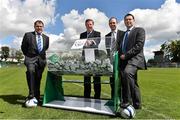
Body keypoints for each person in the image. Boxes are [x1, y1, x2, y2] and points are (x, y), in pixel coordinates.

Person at [119, 13, 146, 109]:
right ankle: (137, 104)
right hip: (124, 61)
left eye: (130, 19)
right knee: (133, 82)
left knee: (127, 73)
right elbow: (120, 48)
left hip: (135, 59)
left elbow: (139, 45)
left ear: (133, 20)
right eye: (126, 20)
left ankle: (127, 101)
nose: (128, 21)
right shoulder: (123, 35)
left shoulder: (140, 30)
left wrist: (126, 55)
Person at [21, 20, 49, 106]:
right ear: (34, 27)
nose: (39, 28)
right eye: (37, 26)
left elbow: (46, 48)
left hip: (41, 60)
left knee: (38, 78)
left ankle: (36, 97)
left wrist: (41, 58)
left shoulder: (46, 38)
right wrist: (28, 56)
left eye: (41, 26)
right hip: (30, 59)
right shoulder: (28, 35)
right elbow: (23, 47)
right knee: (30, 71)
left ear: (43, 27)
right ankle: (31, 94)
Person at [80, 19, 101, 99]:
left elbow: (97, 42)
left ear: (93, 25)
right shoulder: (82, 35)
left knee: (96, 79)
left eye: (90, 24)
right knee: (86, 79)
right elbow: (80, 43)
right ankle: (86, 96)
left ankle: (97, 97)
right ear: (85, 25)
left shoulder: (97, 33)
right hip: (85, 58)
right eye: (87, 24)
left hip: (95, 58)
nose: (89, 26)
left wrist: (91, 42)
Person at [105, 17, 124, 99]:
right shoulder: (107, 36)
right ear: (109, 24)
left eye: (114, 23)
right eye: (110, 23)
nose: (112, 24)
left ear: (117, 23)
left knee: (121, 81)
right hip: (111, 61)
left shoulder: (122, 33)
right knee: (112, 81)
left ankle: (121, 99)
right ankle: (113, 98)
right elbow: (107, 49)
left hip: (121, 60)